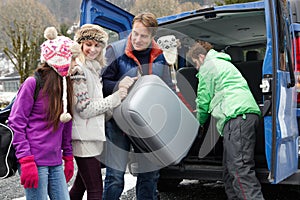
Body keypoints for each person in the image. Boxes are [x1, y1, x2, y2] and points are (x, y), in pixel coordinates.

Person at [102, 12, 174, 200]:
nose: (137, 39)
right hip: (118, 122)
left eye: (143, 36)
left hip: (148, 124)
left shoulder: (160, 57)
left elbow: (168, 89)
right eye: (135, 33)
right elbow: (101, 84)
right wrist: (118, 85)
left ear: (152, 37)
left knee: (150, 176)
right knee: (115, 177)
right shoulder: (115, 51)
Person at [187, 42, 264, 200]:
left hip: (237, 117)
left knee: (240, 170)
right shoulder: (223, 63)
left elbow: (203, 99)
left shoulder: (209, 66)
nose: (196, 69)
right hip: (243, 116)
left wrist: (198, 123)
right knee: (230, 170)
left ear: (201, 56)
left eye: (195, 64)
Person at [8, 27, 77, 199]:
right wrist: (25, 159)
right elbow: (16, 123)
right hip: (34, 160)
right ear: (62, 61)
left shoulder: (65, 86)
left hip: (55, 161)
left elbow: (66, 124)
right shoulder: (32, 83)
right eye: (73, 59)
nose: (76, 63)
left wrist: (68, 156)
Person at [69, 24, 131, 200]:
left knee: (80, 185)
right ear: (80, 44)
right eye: (88, 44)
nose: (93, 49)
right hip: (83, 137)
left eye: (97, 45)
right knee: (96, 189)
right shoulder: (78, 70)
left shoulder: (93, 68)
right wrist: (116, 97)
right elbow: (85, 108)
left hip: (91, 135)